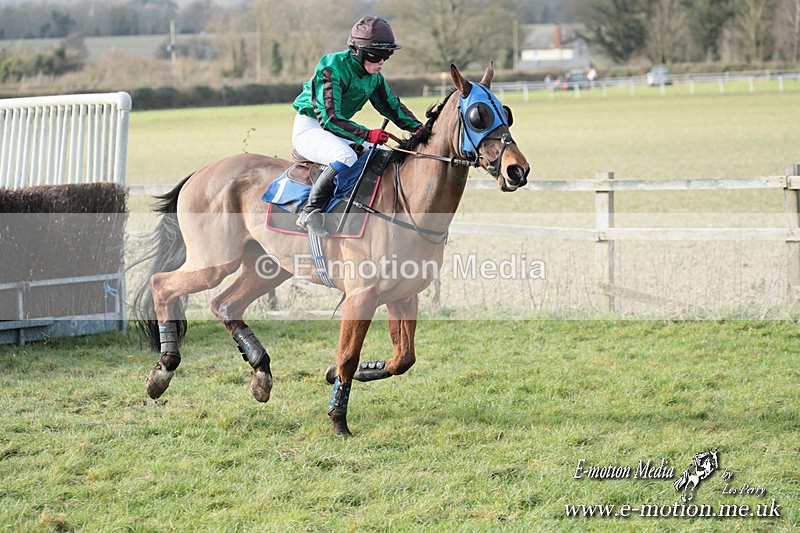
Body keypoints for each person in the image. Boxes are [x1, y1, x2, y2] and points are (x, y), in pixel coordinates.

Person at [291, 16, 424, 237]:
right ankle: (310, 211)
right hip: (311, 128)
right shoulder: (331, 66)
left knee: (383, 155)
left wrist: (420, 130)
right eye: (377, 56)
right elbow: (329, 118)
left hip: (337, 130)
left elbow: (391, 107)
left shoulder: (374, 77)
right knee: (346, 157)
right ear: (358, 51)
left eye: (386, 56)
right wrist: (367, 134)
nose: (382, 62)